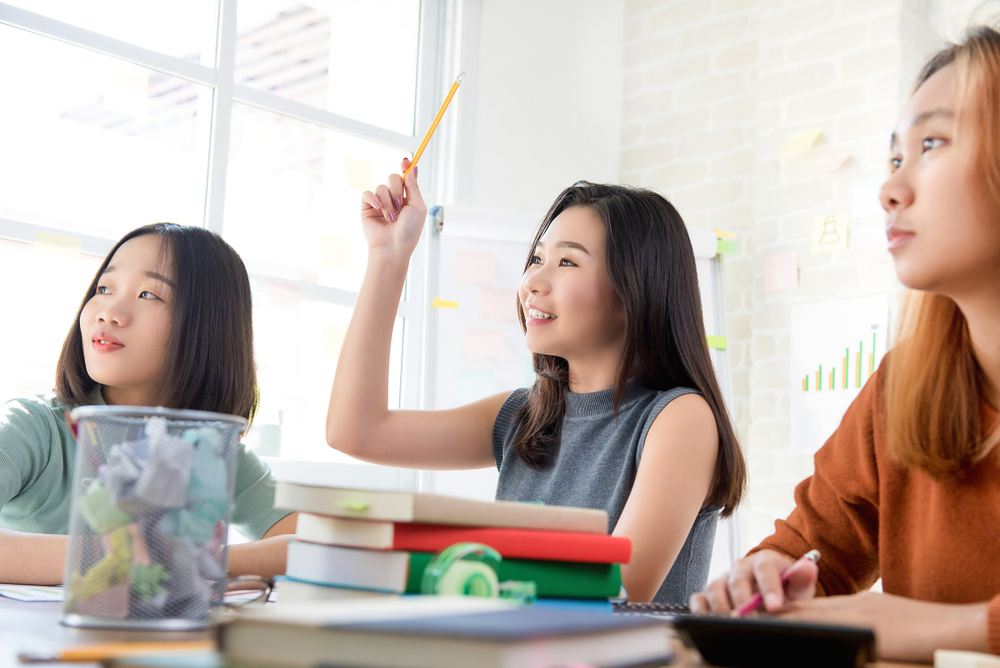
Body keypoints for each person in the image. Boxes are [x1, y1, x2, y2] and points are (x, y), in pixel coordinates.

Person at [689, 26, 1000, 662]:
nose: (889, 189)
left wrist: (938, 627)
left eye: (932, 143)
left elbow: (887, 620)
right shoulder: (902, 387)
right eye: (893, 158)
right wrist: (770, 576)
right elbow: (813, 550)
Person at [326, 160, 747, 603]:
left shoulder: (680, 417)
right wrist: (388, 257)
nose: (531, 282)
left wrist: (449, 566)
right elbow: (354, 431)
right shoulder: (523, 416)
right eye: (537, 258)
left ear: (636, 288)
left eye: (567, 261)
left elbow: (615, 589)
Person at [0, 223, 296, 585]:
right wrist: (125, 555)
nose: (109, 312)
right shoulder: (31, 427)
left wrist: (191, 560)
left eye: (148, 295)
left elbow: (313, 549)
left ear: (207, 326)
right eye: (104, 288)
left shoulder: (210, 447)